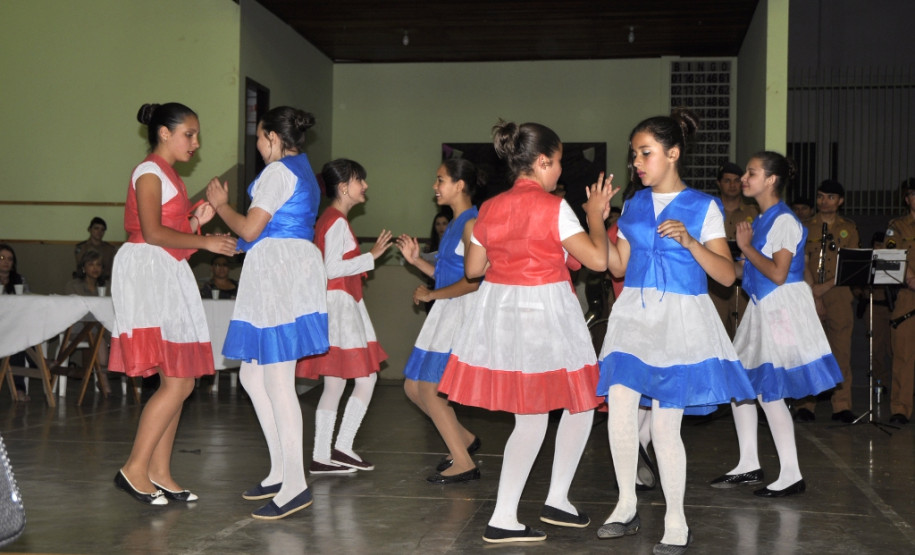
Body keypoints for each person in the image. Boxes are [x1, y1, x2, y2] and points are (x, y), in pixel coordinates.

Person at [438, 121, 614, 544]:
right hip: (545, 310)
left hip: (503, 311)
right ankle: (520, 511)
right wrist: (594, 217)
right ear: (541, 161)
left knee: (547, 411)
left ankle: (540, 505)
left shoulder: (490, 208)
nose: (559, 173)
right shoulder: (554, 206)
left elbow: (475, 270)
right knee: (573, 405)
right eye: (556, 163)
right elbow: (597, 261)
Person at [596, 110, 755, 554]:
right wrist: (597, 219)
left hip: (680, 320)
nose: (638, 163)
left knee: (666, 426)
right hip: (633, 318)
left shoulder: (704, 206)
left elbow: (726, 276)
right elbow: (618, 266)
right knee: (621, 407)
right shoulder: (633, 206)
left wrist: (690, 242)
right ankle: (625, 505)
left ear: (673, 153)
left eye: (646, 153)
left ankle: (675, 517)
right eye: (634, 156)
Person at [109, 102, 236, 506]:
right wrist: (206, 241)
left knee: (181, 378)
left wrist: (201, 218)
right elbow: (151, 231)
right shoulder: (149, 172)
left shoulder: (171, 177)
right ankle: (134, 468)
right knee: (177, 380)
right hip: (147, 273)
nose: (196, 143)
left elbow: (173, 230)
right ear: (164, 133)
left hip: (166, 272)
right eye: (189, 134)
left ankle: (159, 472)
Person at [206, 105, 329, 520]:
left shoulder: (278, 172)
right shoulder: (301, 169)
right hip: (282, 267)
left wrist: (221, 206)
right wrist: (229, 238)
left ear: (274, 138)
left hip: (280, 273)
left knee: (277, 377)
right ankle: (280, 469)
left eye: (260, 137)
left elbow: (252, 228)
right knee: (252, 373)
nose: (257, 145)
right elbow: (267, 231)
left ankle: (296, 484)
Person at [711, 152, 842, 498]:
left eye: (752, 173)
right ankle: (749, 463)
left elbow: (778, 273)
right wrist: (704, 258)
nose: (744, 178)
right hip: (762, 307)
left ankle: (790, 474)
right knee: (743, 385)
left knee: (771, 391)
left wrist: (743, 246)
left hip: (781, 309)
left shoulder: (782, 220)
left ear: (770, 180)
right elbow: (745, 271)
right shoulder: (762, 219)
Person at [296, 159, 392, 474]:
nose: (364, 185)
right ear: (343, 186)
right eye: (359, 180)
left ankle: (323, 455)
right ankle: (341, 446)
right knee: (366, 379)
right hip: (339, 305)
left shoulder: (330, 219)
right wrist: (371, 256)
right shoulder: (336, 221)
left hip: (337, 304)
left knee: (335, 385)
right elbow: (331, 268)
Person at [395, 159, 482, 484]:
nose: (435, 186)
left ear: (460, 185)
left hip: (459, 312)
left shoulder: (473, 224)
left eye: (441, 180)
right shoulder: (455, 224)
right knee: (413, 387)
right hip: (446, 311)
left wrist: (433, 296)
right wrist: (417, 261)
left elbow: (475, 281)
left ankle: (464, 462)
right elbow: (448, 274)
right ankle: (466, 440)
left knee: (431, 388)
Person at [793, 180, 859, 423]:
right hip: (808, 293)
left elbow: (849, 264)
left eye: (830, 197)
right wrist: (813, 292)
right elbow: (801, 261)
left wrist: (824, 288)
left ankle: (841, 405)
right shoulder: (805, 227)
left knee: (841, 349)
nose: (824, 202)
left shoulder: (849, 228)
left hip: (838, 292)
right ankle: (805, 405)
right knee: (809, 350)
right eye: (820, 197)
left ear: (840, 201)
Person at [708, 162, 758, 338]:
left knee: (746, 338)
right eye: (727, 180)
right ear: (718, 183)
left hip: (744, 287)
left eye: (737, 181)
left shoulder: (753, 212)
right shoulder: (709, 210)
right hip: (714, 286)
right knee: (715, 336)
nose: (732, 185)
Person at [885, 178, 915, 425]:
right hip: (908, 296)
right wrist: (911, 278)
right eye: (913, 194)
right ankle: (900, 409)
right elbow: (891, 256)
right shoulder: (896, 227)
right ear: (907, 199)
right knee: (904, 355)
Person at [1, 243, 31, 399]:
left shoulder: (19, 279)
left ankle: (19, 388)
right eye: (2, 258)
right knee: (16, 338)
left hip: (14, 325)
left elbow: (28, 302)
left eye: (10, 259)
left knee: (17, 339)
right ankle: (39, 362)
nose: (6, 262)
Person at [74, 217, 118, 282]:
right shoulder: (81, 248)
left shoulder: (110, 249)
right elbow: (80, 268)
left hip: (105, 282)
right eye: (96, 228)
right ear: (89, 229)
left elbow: (112, 270)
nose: (99, 232)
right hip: (84, 282)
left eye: (102, 230)